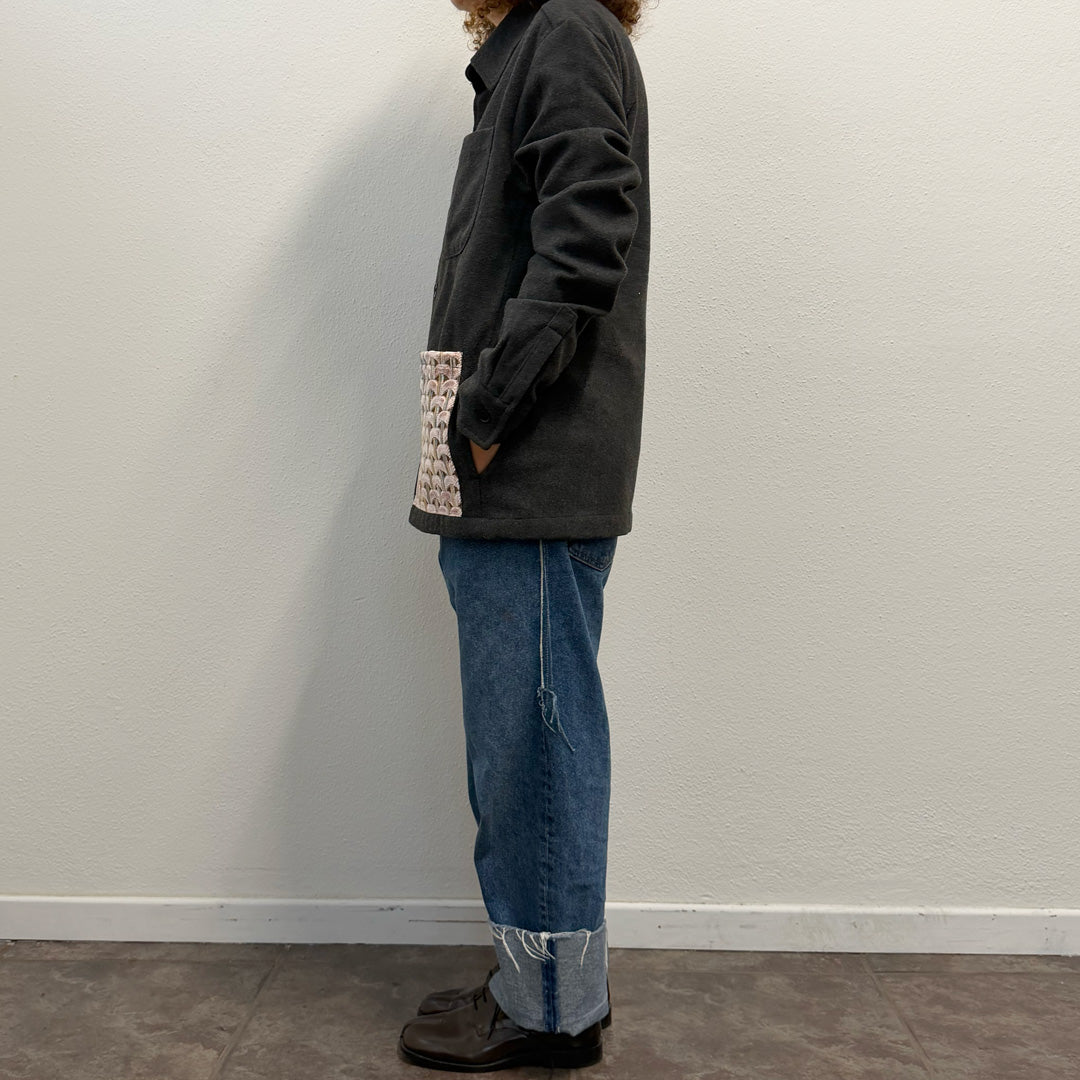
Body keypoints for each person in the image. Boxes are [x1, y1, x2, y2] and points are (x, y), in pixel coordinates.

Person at [398, 0, 651, 1069]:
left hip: (529, 471)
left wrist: (491, 412)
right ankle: (536, 979)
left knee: (535, 750)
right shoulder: (541, 46)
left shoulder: (565, 31)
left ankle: (550, 1008)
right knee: (516, 748)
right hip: (504, 476)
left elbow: (586, 235)